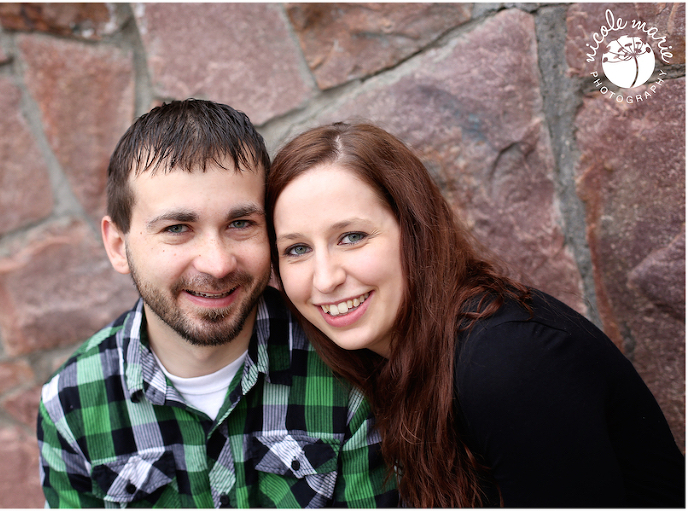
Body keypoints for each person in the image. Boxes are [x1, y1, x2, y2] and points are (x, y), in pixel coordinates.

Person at [266, 122, 685, 507]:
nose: (325, 279)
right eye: (297, 249)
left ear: (415, 231)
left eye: (351, 236)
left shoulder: (507, 360)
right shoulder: (392, 363)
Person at [37, 101, 398, 508]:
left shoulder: (346, 366)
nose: (218, 263)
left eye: (240, 224)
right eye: (177, 228)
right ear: (119, 246)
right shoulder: (70, 406)